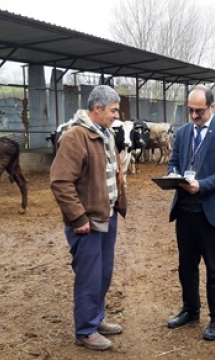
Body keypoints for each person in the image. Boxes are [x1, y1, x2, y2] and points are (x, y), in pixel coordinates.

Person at [50, 85, 127, 351]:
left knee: (103, 272)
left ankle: (96, 318)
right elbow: (61, 182)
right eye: (114, 110)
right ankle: (85, 330)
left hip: (106, 216)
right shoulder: (76, 136)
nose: (117, 115)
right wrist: (78, 217)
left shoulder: (105, 134)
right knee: (89, 276)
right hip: (87, 221)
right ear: (97, 109)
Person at [165, 85, 215, 341]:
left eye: (199, 110)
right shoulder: (184, 132)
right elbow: (173, 161)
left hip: (213, 213)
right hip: (185, 210)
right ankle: (190, 310)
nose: (194, 115)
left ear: (212, 106)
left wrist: (203, 185)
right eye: (190, 110)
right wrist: (174, 174)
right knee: (186, 265)